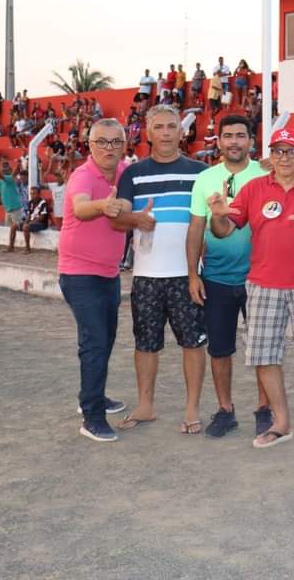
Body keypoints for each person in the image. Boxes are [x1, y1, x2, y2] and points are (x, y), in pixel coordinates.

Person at [206, 126, 294, 452]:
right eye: (278, 151)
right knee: (265, 355)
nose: (284, 157)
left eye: (291, 151)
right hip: (263, 286)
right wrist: (217, 215)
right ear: (270, 157)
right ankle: (281, 423)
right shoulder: (254, 188)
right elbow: (225, 228)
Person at [113, 105, 209, 435]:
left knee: (193, 343)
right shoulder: (132, 174)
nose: (166, 132)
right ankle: (146, 405)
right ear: (148, 133)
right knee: (145, 344)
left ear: (182, 133)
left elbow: (209, 220)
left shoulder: (201, 172)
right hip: (146, 277)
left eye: (172, 126)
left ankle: (192, 408)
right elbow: (118, 216)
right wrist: (135, 219)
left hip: (187, 276)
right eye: (160, 127)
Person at [186, 115, 272, 438]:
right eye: (228, 136)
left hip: (261, 278)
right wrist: (193, 275)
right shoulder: (205, 179)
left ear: (251, 140)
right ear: (218, 141)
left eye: (241, 135)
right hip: (217, 279)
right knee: (220, 349)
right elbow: (196, 228)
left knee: (263, 347)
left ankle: (265, 409)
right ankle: (225, 410)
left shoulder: (266, 174)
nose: (234, 141)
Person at [58, 118, 130, 443]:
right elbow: (81, 208)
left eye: (116, 142)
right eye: (102, 142)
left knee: (106, 339)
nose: (109, 148)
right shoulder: (82, 175)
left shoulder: (127, 170)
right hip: (79, 273)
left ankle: (94, 396)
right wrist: (104, 205)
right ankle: (92, 416)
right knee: (95, 341)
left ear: (124, 145)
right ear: (90, 145)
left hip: (109, 273)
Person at [0, 164, 24, 252]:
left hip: (14, 208)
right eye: (3, 169)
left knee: (14, 228)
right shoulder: (1, 181)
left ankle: (11, 247)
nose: (4, 171)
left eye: (5, 169)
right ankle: (11, 246)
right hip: (8, 209)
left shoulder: (9, 179)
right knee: (12, 228)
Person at [21, 187, 53, 253]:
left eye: (34, 194)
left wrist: (30, 223)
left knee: (26, 227)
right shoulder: (30, 203)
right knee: (14, 226)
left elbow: (42, 217)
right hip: (32, 222)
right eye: (31, 194)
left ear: (39, 194)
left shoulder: (43, 203)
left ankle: (27, 248)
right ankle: (11, 247)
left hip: (41, 224)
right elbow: (29, 215)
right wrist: (26, 222)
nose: (32, 195)